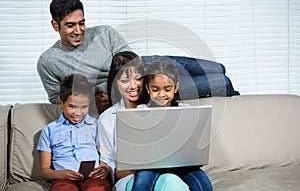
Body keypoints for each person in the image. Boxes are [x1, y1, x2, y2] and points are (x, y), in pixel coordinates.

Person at [98, 51, 190, 191]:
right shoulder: (107, 118)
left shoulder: (158, 104)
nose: (133, 86)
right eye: (125, 81)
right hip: (130, 177)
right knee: (169, 182)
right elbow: (109, 165)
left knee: (171, 180)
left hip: (169, 173)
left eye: (138, 78)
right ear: (115, 83)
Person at [37, 0, 131, 115]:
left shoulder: (106, 34)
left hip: (124, 102)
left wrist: (115, 95)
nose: (78, 31)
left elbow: (132, 66)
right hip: (87, 116)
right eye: (70, 25)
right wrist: (89, 104)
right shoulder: (48, 62)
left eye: (81, 23)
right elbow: (57, 100)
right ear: (55, 25)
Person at [130, 59, 213, 191]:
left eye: (167, 89)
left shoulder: (186, 110)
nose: (161, 94)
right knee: (141, 185)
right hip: (150, 165)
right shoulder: (141, 112)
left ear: (175, 88)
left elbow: (195, 145)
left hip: (182, 164)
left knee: (204, 185)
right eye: (155, 89)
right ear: (147, 88)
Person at [36, 74, 111, 191]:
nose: (78, 113)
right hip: (63, 179)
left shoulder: (96, 125)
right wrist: (61, 174)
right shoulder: (49, 130)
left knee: (97, 188)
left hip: (92, 178)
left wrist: (105, 169)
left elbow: (105, 156)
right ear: (61, 103)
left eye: (84, 107)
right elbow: (45, 171)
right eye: (72, 106)